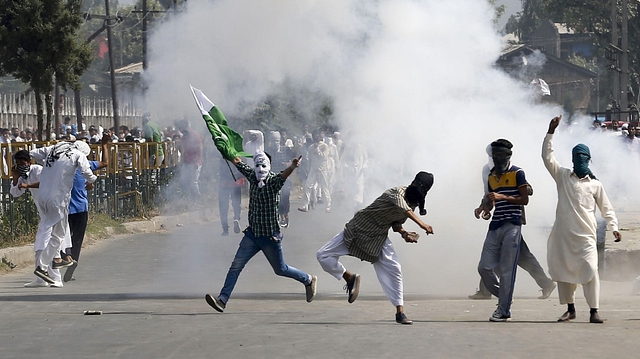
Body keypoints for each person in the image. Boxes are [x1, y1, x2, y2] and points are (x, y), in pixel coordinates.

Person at [205, 150, 317, 312]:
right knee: (235, 266)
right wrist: (227, 153)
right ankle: (222, 300)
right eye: (257, 165)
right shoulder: (252, 176)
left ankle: (308, 279)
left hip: (270, 237)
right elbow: (240, 164)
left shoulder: (273, 182)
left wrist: (292, 166)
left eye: (263, 165)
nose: (260, 168)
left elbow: (283, 175)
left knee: (281, 269)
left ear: (269, 166)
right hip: (252, 235)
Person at [316, 172, 434, 325]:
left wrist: (404, 233)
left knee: (395, 268)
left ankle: (400, 312)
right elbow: (404, 209)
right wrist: (423, 224)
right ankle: (349, 277)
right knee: (323, 255)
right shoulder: (396, 192)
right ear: (413, 183)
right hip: (358, 228)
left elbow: (397, 223)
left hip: (378, 236)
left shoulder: (413, 203)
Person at [543, 115, 621, 324]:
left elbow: (607, 208)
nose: (579, 160)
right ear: (572, 159)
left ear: (588, 159)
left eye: (582, 157)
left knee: (590, 269)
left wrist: (614, 227)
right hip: (564, 234)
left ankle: (594, 310)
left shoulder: (595, 185)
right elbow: (547, 157)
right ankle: (570, 309)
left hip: (586, 235)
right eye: (576, 156)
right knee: (565, 272)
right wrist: (550, 132)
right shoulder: (562, 176)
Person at [469, 144, 556, 300]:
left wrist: (517, 189)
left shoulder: (514, 171)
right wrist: (483, 207)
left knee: (517, 256)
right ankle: (545, 284)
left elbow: (527, 191)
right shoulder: (487, 171)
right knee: (517, 255)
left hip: (512, 219)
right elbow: (489, 193)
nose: (494, 159)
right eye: (492, 156)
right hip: (500, 219)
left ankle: (486, 291)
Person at [28, 141, 98, 284]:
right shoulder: (77, 155)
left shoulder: (53, 149)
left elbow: (33, 153)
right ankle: (44, 265)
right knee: (59, 235)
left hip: (42, 197)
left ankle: (53, 262)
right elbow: (87, 173)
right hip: (58, 199)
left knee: (51, 229)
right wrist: (92, 180)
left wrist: (50, 165)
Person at [477, 139, 529, 322]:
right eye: (494, 156)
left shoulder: (518, 173)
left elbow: (524, 200)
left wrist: (502, 196)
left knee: (507, 270)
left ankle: (503, 310)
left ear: (508, 156)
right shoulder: (491, 176)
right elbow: (491, 199)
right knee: (484, 267)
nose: (497, 160)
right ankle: (504, 297)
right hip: (495, 225)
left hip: (512, 226)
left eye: (501, 156)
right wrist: (484, 208)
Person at [10, 150, 66, 288]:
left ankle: (56, 278)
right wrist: (15, 178)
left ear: (29, 162)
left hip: (53, 213)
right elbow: (15, 193)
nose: (21, 166)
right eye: (18, 164)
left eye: (23, 163)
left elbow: (47, 184)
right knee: (39, 247)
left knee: (50, 246)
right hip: (44, 215)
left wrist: (28, 186)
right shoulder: (23, 176)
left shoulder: (39, 170)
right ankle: (41, 279)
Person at [62, 134, 110, 282]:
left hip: (65, 208)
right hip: (81, 208)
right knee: (77, 239)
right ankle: (72, 260)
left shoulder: (63, 166)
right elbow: (105, 163)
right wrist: (104, 145)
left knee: (62, 237)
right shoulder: (86, 165)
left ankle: (66, 257)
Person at [265, 130, 294, 228]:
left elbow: (295, 162)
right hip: (273, 180)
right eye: (273, 141)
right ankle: (280, 218)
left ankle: (285, 215)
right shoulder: (267, 152)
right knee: (275, 200)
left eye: (277, 141)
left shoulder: (286, 150)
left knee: (284, 199)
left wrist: (288, 164)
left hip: (285, 179)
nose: (275, 143)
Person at [218, 156, 243, 236]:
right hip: (236, 182)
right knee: (236, 203)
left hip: (224, 183)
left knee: (223, 206)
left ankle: (225, 229)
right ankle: (236, 218)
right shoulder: (237, 153)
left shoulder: (222, 151)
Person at [178, 121, 203, 199]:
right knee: (183, 179)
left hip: (195, 161)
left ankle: (196, 198)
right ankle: (187, 196)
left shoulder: (194, 134)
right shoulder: (183, 137)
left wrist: (198, 161)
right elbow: (183, 149)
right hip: (187, 162)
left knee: (194, 182)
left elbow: (200, 148)